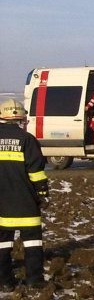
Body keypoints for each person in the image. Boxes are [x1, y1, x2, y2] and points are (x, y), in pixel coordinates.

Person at [0, 99, 49, 289]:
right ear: (21, 118)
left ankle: (4, 282)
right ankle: (34, 281)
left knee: (2, 243)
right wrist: (43, 194)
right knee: (32, 241)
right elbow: (36, 171)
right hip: (25, 201)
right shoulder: (27, 139)